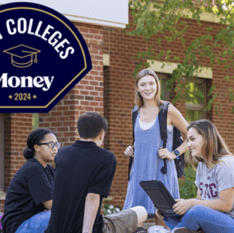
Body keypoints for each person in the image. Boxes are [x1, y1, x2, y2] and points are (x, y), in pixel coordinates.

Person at [45, 112, 148, 233]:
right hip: (89, 228)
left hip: (54, 229)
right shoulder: (106, 158)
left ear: (78, 132)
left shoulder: (61, 153)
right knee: (141, 212)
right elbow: (92, 197)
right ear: (101, 134)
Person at [124, 68, 189, 217]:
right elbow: (142, 141)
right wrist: (132, 149)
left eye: (151, 83)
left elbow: (194, 136)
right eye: (143, 84)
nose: (148, 88)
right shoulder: (135, 111)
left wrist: (174, 153)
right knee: (135, 219)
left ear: (157, 86)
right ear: (137, 88)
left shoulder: (168, 110)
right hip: (139, 174)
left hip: (162, 173)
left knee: (164, 219)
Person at [154, 119, 234, 233]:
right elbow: (200, 201)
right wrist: (175, 208)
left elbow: (226, 205)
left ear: (207, 138)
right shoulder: (202, 166)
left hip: (230, 223)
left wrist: (191, 203)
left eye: (192, 139)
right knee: (173, 213)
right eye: (187, 140)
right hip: (209, 221)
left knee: (196, 210)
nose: (189, 144)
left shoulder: (226, 164)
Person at [1, 128, 59, 233]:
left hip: (35, 221)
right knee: (65, 215)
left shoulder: (49, 170)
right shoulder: (33, 169)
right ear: (37, 147)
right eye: (51, 144)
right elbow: (51, 205)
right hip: (19, 225)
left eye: (56, 144)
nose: (55, 148)